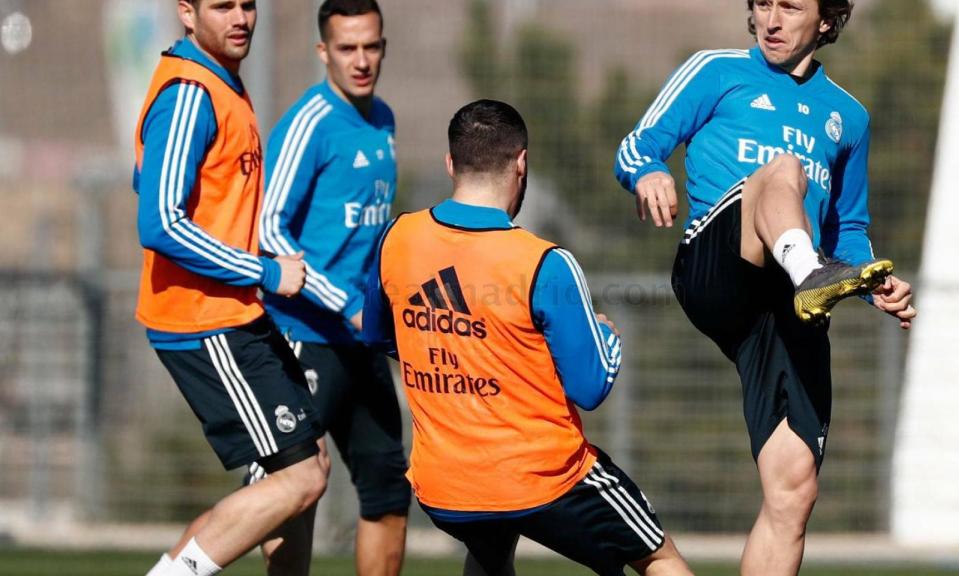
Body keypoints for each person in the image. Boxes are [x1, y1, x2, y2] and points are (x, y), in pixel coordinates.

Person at [614, 1, 916, 574]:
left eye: (790, 6)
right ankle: (810, 276)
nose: (770, 20)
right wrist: (650, 170)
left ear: (826, 21)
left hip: (788, 305)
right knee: (782, 171)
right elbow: (637, 144)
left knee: (793, 492)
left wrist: (875, 282)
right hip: (717, 263)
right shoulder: (716, 70)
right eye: (762, 5)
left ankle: (810, 279)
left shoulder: (849, 117)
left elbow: (848, 229)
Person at [363, 99, 694, 576]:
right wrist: (606, 335)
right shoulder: (545, 262)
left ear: (450, 163)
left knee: (490, 550)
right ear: (522, 164)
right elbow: (591, 387)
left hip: (444, 486)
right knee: (659, 557)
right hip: (544, 480)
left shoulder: (397, 238)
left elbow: (383, 337)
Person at [133, 1, 328, 574]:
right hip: (203, 320)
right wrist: (263, 271)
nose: (240, 17)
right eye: (223, 6)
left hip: (232, 312)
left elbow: (151, 179)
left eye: (248, 4)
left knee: (307, 461)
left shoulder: (220, 83)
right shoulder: (191, 92)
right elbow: (161, 222)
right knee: (300, 476)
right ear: (187, 14)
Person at [254, 0, 409, 574]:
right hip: (304, 335)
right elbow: (268, 225)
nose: (361, 60)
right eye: (347, 48)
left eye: (372, 46)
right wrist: (342, 300)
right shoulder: (308, 123)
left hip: (361, 340)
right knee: (298, 490)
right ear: (324, 52)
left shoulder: (384, 119)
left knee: (389, 492)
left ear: (384, 47)